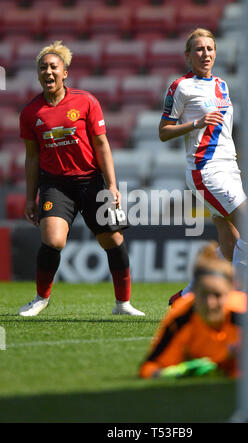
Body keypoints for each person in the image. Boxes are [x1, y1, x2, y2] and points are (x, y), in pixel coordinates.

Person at [18, 41, 144, 317]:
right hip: (55, 185)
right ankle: (41, 299)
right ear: (38, 74)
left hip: (91, 182)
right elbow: (32, 158)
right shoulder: (30, 113)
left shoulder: (86, 101)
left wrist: (111, 185)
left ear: (65, 73)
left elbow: (102, 145)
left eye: (54, 67)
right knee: (54, 241)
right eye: (43, 68)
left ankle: (123, 304)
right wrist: (30, 197)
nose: (48, 72)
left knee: (113, 240)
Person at [159, 28, 247, 301]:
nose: (205, 53)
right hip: (205, 169)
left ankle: (186, 298)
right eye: (198, 49)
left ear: (215, 53)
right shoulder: (180, 86)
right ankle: (242, 299)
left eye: (209, 48)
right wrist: (196, 123)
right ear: (188, 55)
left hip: (229, 168)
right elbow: (163, 131)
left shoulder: (222, 85)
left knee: (230, 237)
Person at [139, 242, 248, 379]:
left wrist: (221, 363)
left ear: (231, 292)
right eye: (203, 295)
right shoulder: (182, 315)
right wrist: (176, 372)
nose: (210, 303)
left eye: (217, 295)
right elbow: (151, 367)